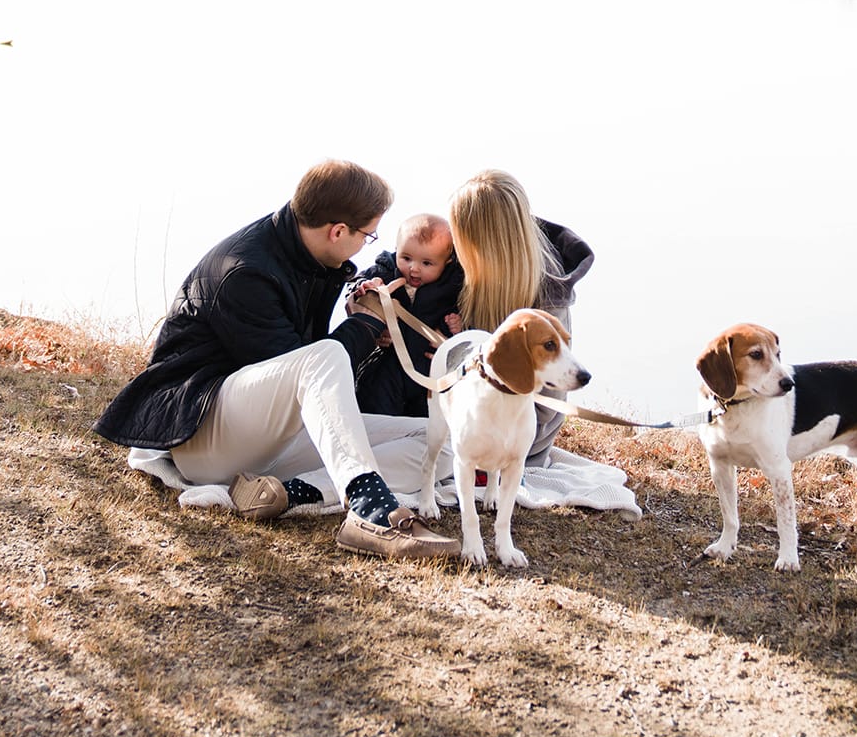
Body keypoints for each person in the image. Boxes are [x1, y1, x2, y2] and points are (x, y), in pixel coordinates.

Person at [92, 160, 459, 559]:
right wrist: (366, 323)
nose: (366, 246)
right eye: (368, 235)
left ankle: (296, 492)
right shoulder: (246, 271)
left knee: (439, 444)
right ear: (338, 231)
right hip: (203, 433)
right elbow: (300, 365)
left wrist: (366, 327)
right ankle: (369, 509)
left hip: (266, 438)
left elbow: (304, 382)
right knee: (324, 356)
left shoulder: (310, 258)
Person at [445, 170, 595, 464]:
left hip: (522, 431)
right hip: (475, 405)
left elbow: (548, 404)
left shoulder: (550, 295)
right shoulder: (468, 272)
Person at [350, 214, 467, 420]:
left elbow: (468, 316)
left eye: (427, 263)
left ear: (447, 262)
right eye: (406, 258)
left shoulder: (453, 285)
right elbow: (356, 284)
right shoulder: (386, 271)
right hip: (388, 362)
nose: (414, 268)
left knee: (426, 420)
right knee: (375, 408)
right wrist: (364, 288)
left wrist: (458, 328)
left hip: (428, 370)